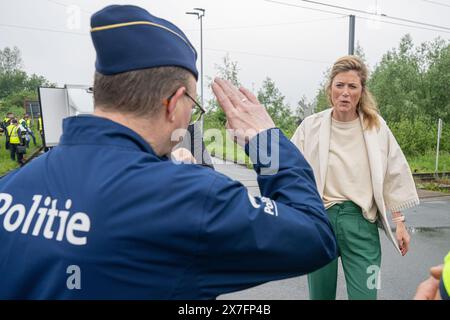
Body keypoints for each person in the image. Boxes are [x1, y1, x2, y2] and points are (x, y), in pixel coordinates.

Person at [0, 5, 337, 299]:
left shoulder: (11, 187)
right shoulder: (188, 197)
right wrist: (267, 141)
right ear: (175, 103)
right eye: (193, 105)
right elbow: (314, 236)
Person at [291, 55, 419, 300]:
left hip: (361, 224)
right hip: (321, 221)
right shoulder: (311, 126)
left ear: (362, 91)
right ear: (330, 89)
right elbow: (290, 169)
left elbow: (394, 172)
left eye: (352, 86)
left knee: (367, 294)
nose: (345, 93)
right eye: (339, 85)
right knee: (320, 297)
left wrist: (400, 221)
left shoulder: (376, 126)